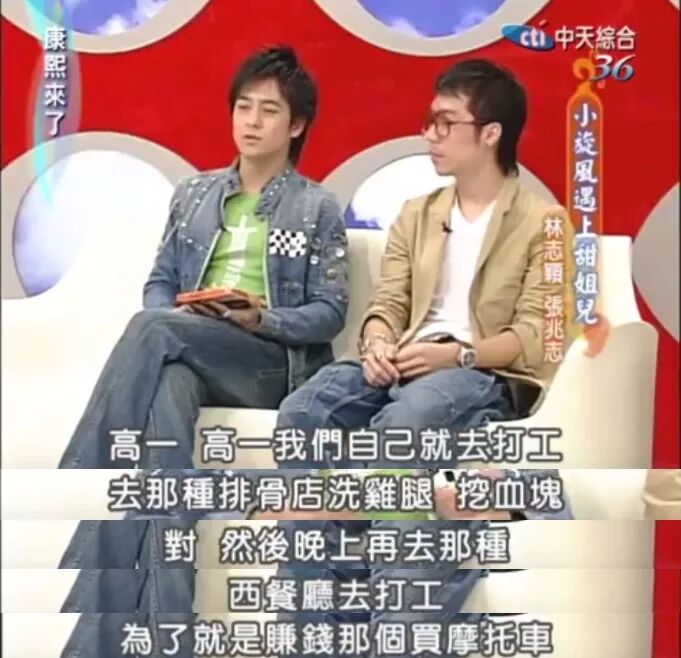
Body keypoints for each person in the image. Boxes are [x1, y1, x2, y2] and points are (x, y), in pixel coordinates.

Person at [272, 58, 576, 657]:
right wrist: (377, 343)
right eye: (430, 121)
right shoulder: (418, 213)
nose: (429, 135)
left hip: (479, 371)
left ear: (490, 133)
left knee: (405, 423)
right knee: (302, 414)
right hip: (405, 356)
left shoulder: (544, 223)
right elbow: (387, 303)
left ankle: (395, 609)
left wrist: (458, 355)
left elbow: (537, 334)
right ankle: (311, 625)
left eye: (445, 123)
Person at [57, 45, 348, 658]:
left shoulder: (315, 207)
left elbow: (330, 312)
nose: (251, 121)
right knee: (166, 404)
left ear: (296, 125)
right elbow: (160, 281)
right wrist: (184, 314)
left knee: (153, 330)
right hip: (193, 346)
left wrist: (260, 316)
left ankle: (83, 472)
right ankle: (170, 632)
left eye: (268, 110)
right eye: (243, 106)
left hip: (267, 362)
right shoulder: (193, 194)